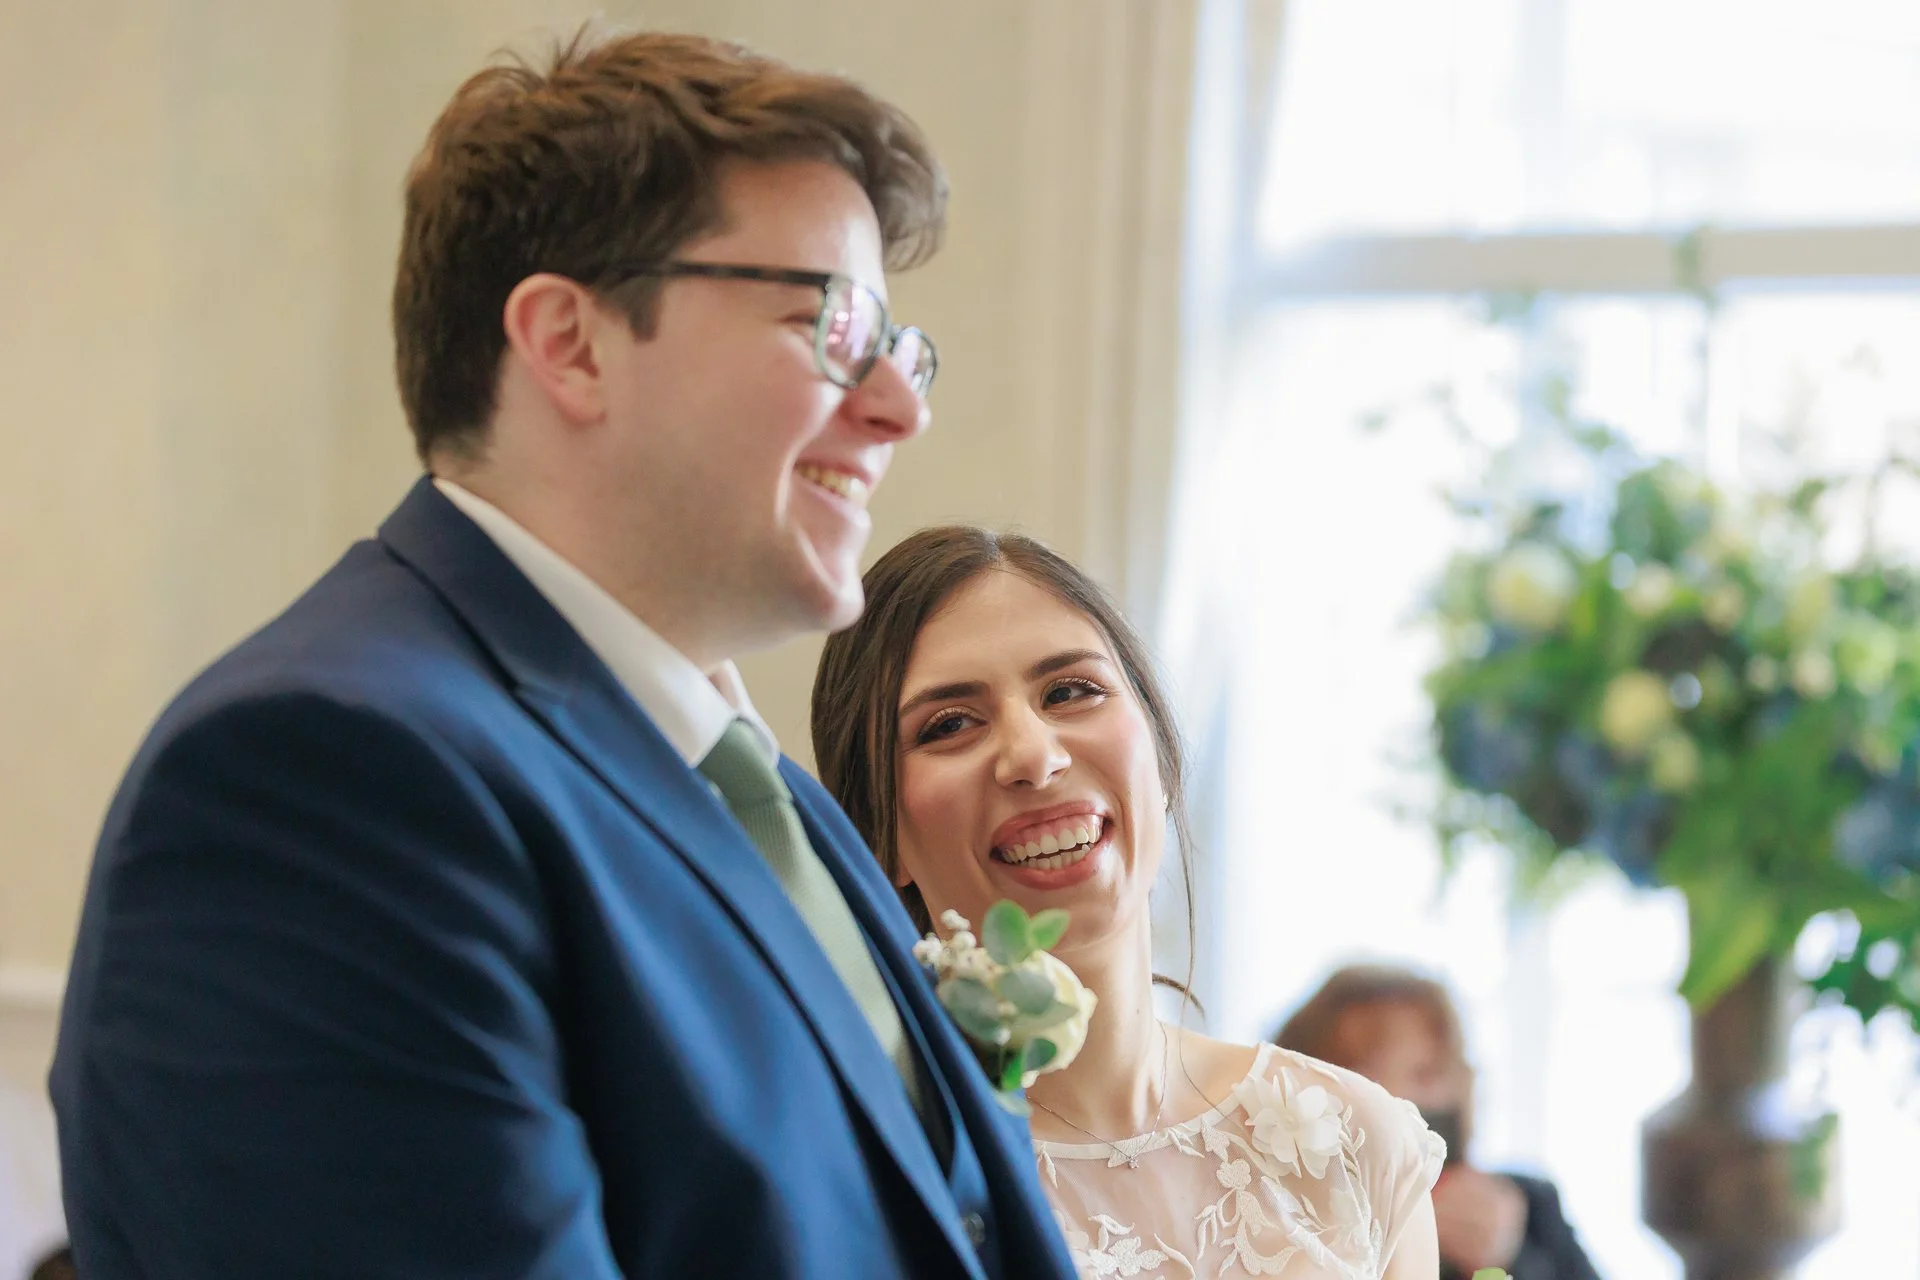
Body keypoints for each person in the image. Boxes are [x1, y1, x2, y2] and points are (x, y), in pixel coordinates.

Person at [51, 27, 1078, 1280]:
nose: (900, 407)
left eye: (898, 349)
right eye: (833, 324)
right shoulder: (323, 782)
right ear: (570, 342)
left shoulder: (761, 792)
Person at [813, 526, 1445, 1279]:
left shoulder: (1353, 1143)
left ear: (1159, 750)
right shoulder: (865, 1183)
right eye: (949, 725)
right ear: (876, 833)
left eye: (1069, 691)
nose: (1034, 756)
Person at [1275, 966, 1602, 1280]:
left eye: (1440, 1072)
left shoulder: (1531, 1210)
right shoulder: (1275, 1220)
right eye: (1423, 1075)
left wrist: (1509, 1260)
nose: (1441, 1096)